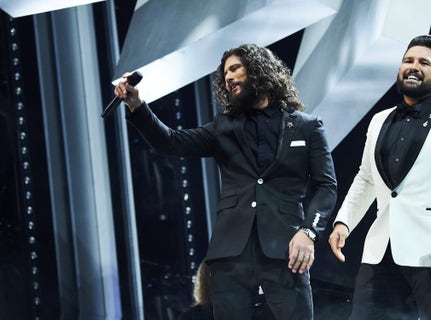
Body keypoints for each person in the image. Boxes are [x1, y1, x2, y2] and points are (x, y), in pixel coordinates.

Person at [114, 43, 337, 319]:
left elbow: (326, 186)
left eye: (235, 68)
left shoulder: (308, 126)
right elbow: (171, 142)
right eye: (225, 73)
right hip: (231, 253)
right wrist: (136, 105)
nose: (229, 77)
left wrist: (308, 232)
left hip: (286, 249)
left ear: (259, 70)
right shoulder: (223, 126)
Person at [328, 34, 431, 320]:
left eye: (423, 62)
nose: (413, 66)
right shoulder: (379, 119)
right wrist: (344, 221)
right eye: (408, 60)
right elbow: (366, 178)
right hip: (382, 250)